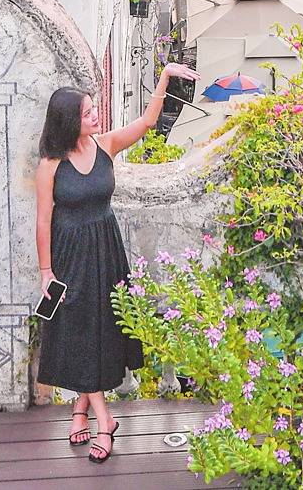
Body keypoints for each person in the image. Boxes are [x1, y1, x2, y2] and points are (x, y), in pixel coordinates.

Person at [35, 66, 198, 461]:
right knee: (77, 331)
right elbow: (42, 220)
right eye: (87, 113)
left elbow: (147, 122)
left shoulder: (105, 145)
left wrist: (165, 76)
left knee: (102, 330)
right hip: (69, 255)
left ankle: (81, 410)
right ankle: (105, 420)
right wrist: (46, 271)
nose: (95, 116)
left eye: (93, 110)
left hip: (106, 250)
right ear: (69, 121)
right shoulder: (50, 164)